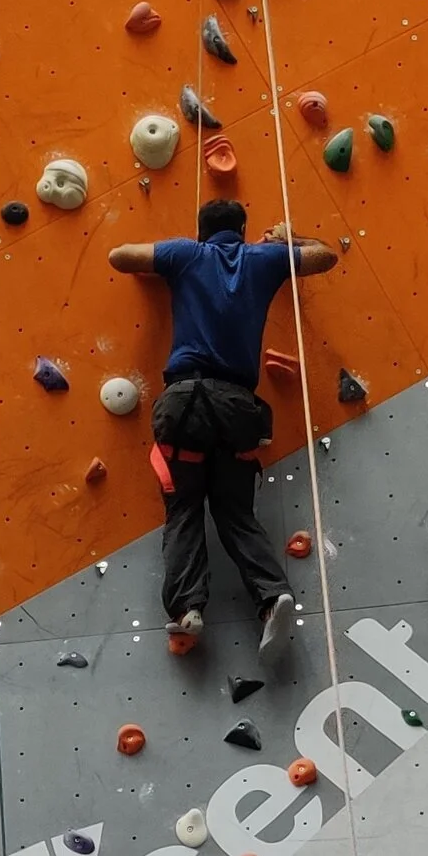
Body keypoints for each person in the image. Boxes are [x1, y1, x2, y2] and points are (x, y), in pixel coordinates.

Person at [108, 197, 338, 655]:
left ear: (202, 230)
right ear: (243, 229)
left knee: (184, 509)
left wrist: (171, 257)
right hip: (238, 407)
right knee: (235, 512)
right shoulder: (264, 258)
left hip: (186, 401)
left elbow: (119, 256)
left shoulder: (186, 253)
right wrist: (288, 240)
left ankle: (187, 610)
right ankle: (272, 597)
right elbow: (326, 256)